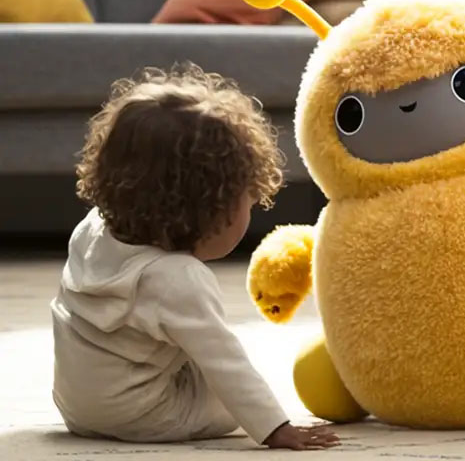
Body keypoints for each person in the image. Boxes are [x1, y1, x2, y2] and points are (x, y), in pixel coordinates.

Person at [51, 63, 338, 450]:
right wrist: (275, 428)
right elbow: (225, 360)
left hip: (74, 404)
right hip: (139, 413)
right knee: (224, 400)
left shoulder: (92, 230)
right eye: (247, 199)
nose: (251, 207)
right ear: (207, 210)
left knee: (160, 342)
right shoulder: (178, 278)